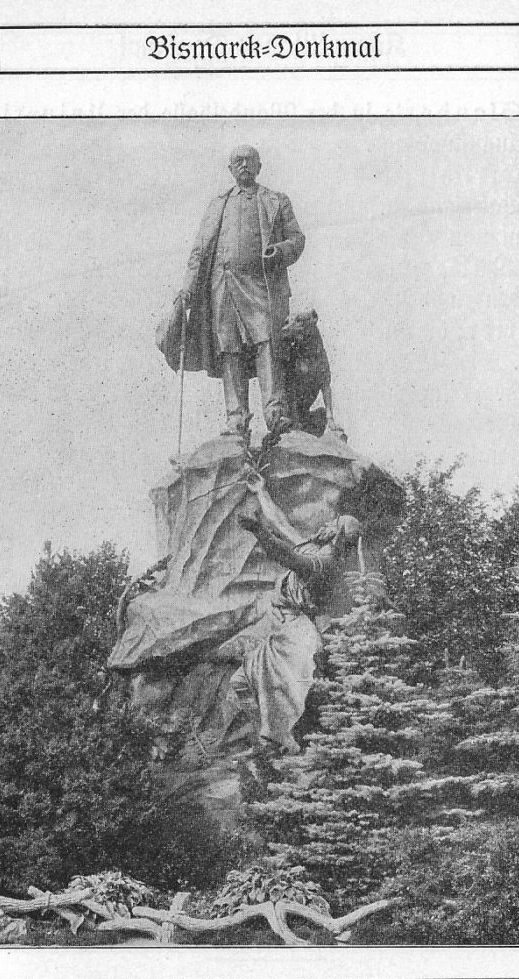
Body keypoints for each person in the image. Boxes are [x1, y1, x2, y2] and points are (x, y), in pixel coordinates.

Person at [225, 470, 362, 755]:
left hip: (298, 635)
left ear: (338, 535)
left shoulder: (324, 562)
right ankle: (268, 742)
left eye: (334, 523)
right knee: (240, 683)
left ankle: (275, 745)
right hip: (283, 629)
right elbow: (281, 523)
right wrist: (261, 492)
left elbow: (286, 555)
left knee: (278, 692)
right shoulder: (314, 546)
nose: (327, 523)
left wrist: (258, 531)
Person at [178, 145, 305, 436]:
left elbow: (297, 239)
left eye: (250, 161)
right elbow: (199, 251)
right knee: (229, 348)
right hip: (222, 284)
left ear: (259, 166)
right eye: (238, 161)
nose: (244, 165)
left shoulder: (276, 200)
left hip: (261, 284)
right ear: (230, 169)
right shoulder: (218, 204)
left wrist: (280, 251)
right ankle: (236, 418)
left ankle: (275, 412)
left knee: (267, 342)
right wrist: (187, 288)